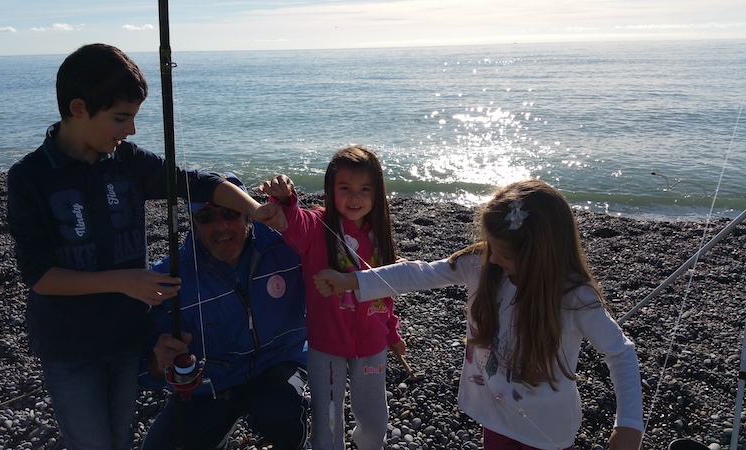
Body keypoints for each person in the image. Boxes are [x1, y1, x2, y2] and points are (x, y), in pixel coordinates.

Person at [6, 43, 286, 450]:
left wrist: (254, 209)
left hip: (125, 335)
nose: (132, 130)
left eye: (135, 117)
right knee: (91, 442)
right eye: (121, 118)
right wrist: (125, 281)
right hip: (68, 344)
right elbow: (39, 276)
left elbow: (199, 183)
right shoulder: (29, 177)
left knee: (120, 436)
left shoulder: (128, 162)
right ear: (79, 108)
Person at [314, 179, 644, 450]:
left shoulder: (573, 296)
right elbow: (419, 273)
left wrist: (629, 423)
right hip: (495, 417)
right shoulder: (482, 265)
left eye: (504, 254)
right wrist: (353, 281)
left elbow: (620, 352)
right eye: (491, 247)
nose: (493, 259)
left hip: (550, 430)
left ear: (540, 255)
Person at [139, 173, 309, 450]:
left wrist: (289, 202)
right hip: (212, 384)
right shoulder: (167, 278)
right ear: (192, 223)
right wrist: (158, 363)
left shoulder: (288, 244)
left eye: (231, 213)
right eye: (206, 217)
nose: (221, 226)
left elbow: (339, 237)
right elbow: (142, 369)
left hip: (279, 363)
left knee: (280, 410)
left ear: (249, 216)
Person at [259, 145, 406, 450]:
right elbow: (293, 223)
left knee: (375, 420)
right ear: (330, 189)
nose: (355, 197)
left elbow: (384, 292)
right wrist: (284, 200)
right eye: (345, 188)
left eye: (365, 189)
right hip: (325, 347)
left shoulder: (379, 234)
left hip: (372, 346)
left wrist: (391, 332)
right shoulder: (317, 225)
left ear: (378, 192)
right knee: (328, 419)